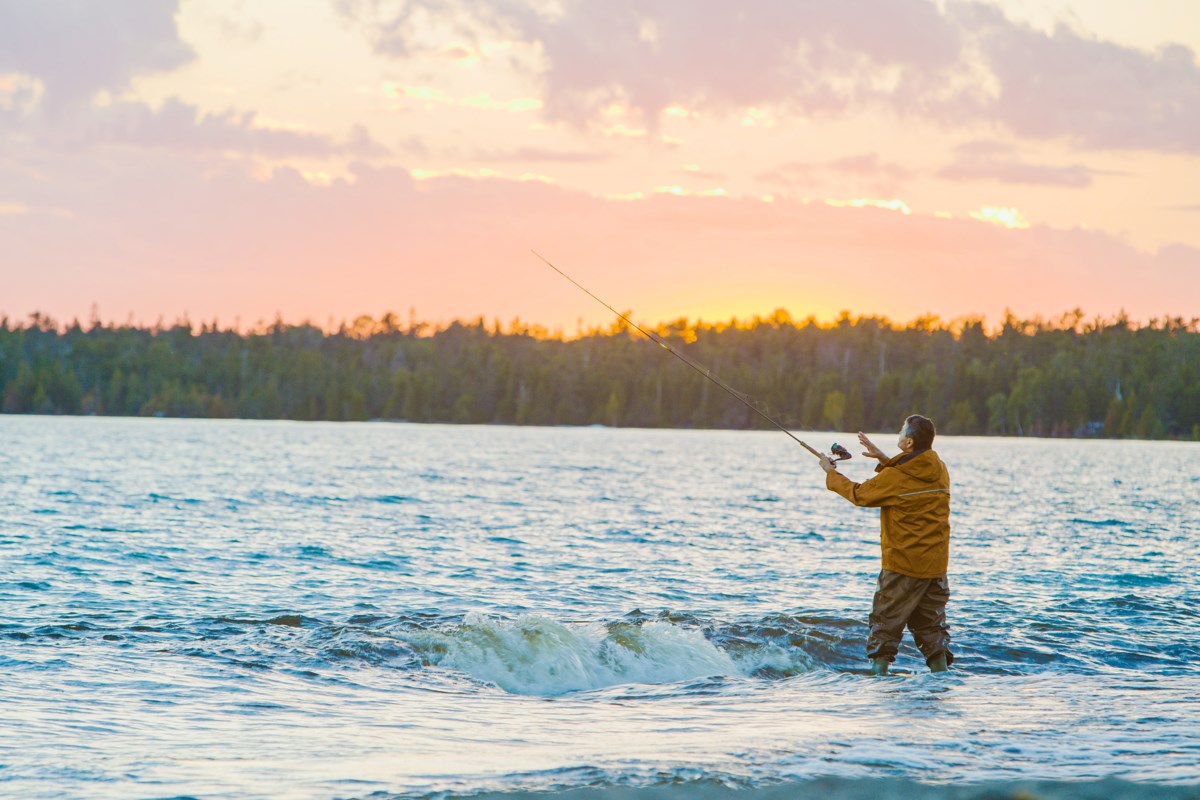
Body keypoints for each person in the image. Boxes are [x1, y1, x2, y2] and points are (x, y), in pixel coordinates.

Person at [817, 415, 953, 675]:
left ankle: (879, 681)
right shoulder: (939, 468)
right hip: (935, 567)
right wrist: (884, 458)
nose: (898, 434)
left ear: (909, 442)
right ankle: (941, 681)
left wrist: (831, 473)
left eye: (902, 431)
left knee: (885, 625)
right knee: (931, 628)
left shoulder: (896, 477)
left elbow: (860, 494)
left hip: (903, 565)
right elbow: (908, 475)